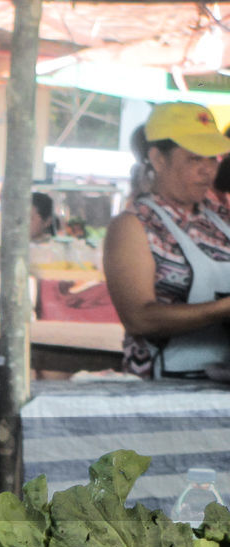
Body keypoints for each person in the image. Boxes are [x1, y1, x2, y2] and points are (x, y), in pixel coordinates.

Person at [103, 101, 230, 378]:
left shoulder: (221, 221)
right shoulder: (133, 226)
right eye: (195, 158)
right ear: (159, 159)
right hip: (162, 389)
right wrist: (223, 309)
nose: (208, 170)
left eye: (212, 158)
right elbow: (139, 318)